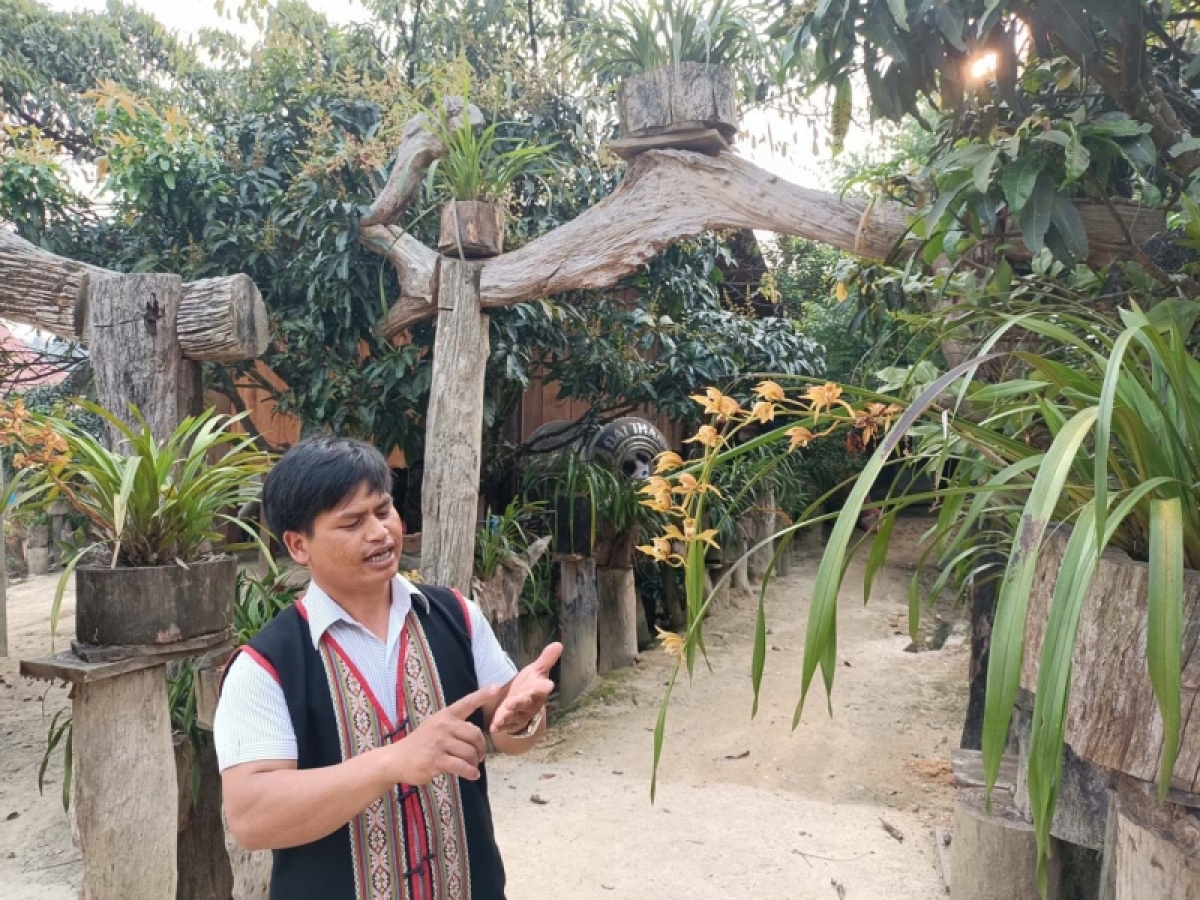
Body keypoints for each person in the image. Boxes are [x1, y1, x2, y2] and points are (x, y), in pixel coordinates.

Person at [214, 436, 561, 900]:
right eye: (352, 522)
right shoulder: (264, 667)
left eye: (383, 510)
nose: (379, 532)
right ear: (298, 545)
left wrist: (522, 718)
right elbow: (252, 818)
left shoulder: (456, 615)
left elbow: (507, 734)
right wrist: (393, 761)